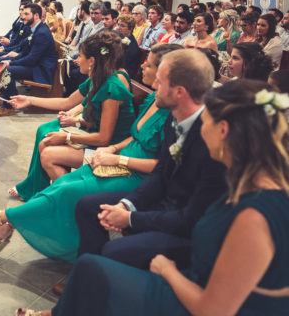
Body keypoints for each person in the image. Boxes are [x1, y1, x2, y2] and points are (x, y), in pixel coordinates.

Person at [18, 79, 289, 316]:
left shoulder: (256, 213)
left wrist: (167, 270)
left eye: (207, 121)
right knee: (91, 268)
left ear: (224, 130)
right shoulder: (245, 180)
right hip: (195, 277)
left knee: (92, 269)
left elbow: (214, 309)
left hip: (202, 298)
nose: (201, 130)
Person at [0, 44, 175, 261]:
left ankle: (2, 219)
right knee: (62, 183)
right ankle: (13, 222)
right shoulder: (154, 99)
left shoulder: (146, 100)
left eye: (148, 65)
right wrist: (108, 148)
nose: (142, 66)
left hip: (133, 173)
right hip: (114, 156)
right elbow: (131, 133)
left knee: (64, 188)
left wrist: (108, 151)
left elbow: (159, 164)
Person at [73, 49, 227, 270]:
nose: (153, 87)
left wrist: (131, 219)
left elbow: (193, 216)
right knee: (87, 206)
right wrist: (126, 205)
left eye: (160, 82)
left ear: (180, 92)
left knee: (113, 251)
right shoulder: (175, 120)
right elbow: (161, 173)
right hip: (165, 205)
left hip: (191, 230)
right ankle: (87, 277)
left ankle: (100, 275)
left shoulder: (211, 139)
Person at [8, 32, 135, 200]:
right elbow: (66, 102)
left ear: (92, 61)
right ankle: (59, 197)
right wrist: (29, 100)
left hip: (110, 149)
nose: (77, 59)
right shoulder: (98, 79)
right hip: (98, 140)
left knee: (48, 154)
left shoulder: (112, 87)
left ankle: (72, 199)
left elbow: (104, 138)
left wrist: (66, 136)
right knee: (46, 142)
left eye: (80, 56)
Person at [0, 3, 57, 114]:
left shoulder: (42, 32)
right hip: (34, 65)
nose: (23, 16)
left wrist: (10, 63)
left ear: (36, 16)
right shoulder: (34, 29)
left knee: (7, 71)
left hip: (40, 70)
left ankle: (9, 106)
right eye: (23, 13)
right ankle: (9, 97)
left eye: (26, 14)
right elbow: (25, 53)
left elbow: (31, 59)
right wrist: (10, 60)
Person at [116, 14, 140, 79]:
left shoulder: (132, 44)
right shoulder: (120, 38)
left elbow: (123, 62)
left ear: (130, 28)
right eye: (118, 24)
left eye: (122, 26)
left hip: (124, 74)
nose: (118, 28)